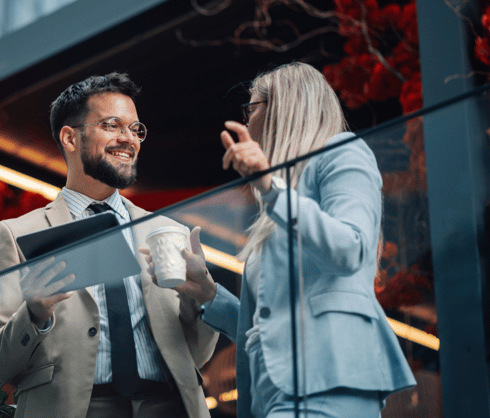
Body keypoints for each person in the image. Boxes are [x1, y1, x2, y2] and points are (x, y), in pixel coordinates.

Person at [141, 62, 416, 417]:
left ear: (282, 109)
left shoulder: (341, 153)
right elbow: (267, 325)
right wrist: (205, 290)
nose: (247, 121)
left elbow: (352, 249)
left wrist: (271, 187)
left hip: (329, 382)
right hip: (278, 393)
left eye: (251, 108)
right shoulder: (280, 200)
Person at [0, 72, 218, 418]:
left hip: (169, 407)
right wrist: (34, 314)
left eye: (136, 129)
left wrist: (200, 301)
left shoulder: (166, 230)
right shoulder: (17, 234)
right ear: (70, 138)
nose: (129, 139)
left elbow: (196, 355)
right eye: (112, 125)